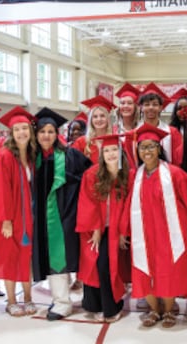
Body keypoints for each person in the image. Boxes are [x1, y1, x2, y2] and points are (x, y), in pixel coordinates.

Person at [122, 123, 187, 329]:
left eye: (151, 146)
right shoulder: (134, 176)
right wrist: (123, 230)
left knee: (168, 268)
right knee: (144, 268)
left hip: (169, 232)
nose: (147, 151)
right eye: (143, 147)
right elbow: (128, 204)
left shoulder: (175, 174)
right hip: (143, 232)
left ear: (159, 149)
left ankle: (169, 310)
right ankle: (154, 309)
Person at [32, 107, 91, 320]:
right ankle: (61, 301)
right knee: (53, 257)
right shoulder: (33, 158)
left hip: (68, 214)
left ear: (57, 134)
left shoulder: (70, 155)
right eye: (42, 132)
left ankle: (71, 302)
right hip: (43, 217)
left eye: (51, 131)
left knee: (65, 256)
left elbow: (89, 176)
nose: (46, 136)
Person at [76, 134, 132, 323]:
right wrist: (96, 230)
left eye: (114, 149)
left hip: (115, 229)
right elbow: (88, 203)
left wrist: (123, 231)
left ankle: (112, 307)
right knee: (92, 263)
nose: (110, 154)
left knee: (105, 265)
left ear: (121, 152)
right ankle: (94, 305)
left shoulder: (127, 175)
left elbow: (128, 206)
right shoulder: (92, 174)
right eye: (106, 150)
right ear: (101, 154)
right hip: (95, 228)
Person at [0, 106, 37, 317]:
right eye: (17, 129)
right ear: (11, 133)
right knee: (10, 257)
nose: (21, 133)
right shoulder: (5, 157)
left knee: (26, 257)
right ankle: (12, 300)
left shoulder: (32, 156)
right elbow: (0, 191)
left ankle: (28, 297)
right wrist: (6, 220)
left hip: (28, 216)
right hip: (10, 217)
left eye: (24, 128)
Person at [124, 82, 184, 166]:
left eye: (155, 104)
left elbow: (178, 161)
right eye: (147, 104)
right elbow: (131, 163)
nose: (151, 107)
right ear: (141, 107)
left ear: (161, 107)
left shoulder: (172, 132)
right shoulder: (131, 135)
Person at [72, 96, 115, 163]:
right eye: (95, 116)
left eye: (102, 116)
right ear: (91, 120)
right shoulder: (81, 142)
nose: (99, 119)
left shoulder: (115, 140)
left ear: (108, 119)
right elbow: (73, 164)